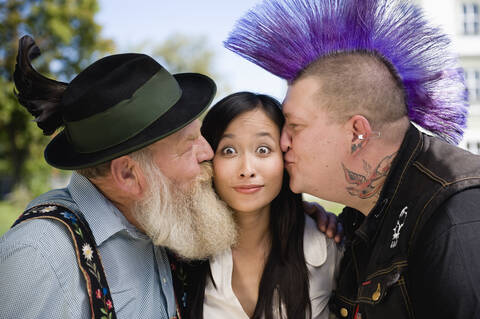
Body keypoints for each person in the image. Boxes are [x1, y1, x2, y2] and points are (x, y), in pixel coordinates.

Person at [224, 0, 480, 318]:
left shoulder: (454, 218)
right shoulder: (357, 220)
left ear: (357, 133)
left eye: (295, 126)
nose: (282, 141)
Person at [0, 35, 238, 318]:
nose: (208, 152)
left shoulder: (159, 217)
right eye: (187, 146)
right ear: (128, 175)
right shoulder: (39, 256)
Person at [173, 92, 341, 319]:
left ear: (285, 158)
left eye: (263, 150)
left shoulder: (328, 246)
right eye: (229, 151)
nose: (247, 169)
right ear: (209, 159)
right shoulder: (181, 252)